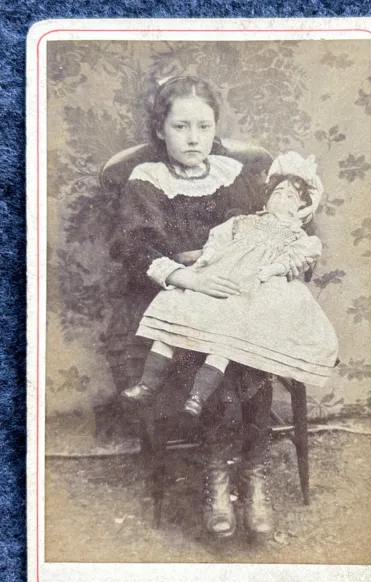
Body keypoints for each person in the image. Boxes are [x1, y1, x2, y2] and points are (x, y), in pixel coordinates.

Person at [108, 76, 313, 539]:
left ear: (216, 127)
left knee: (252, 354)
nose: (194, 138)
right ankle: (218, 474)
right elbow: (136, 250)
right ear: (160, 129)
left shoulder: (235, 177)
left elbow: (269, 230)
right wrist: (193, 275)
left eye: (204, 126)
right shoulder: (146, 181)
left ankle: (254, 471)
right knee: (214, 367)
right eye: (181, 126)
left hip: (240, 296)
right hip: (179, 298)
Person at [123, 151, 338, 419]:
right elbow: (218, 238)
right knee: (178, 306)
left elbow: (299, 258)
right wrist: (209, 255)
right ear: (267, 196)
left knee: (229, 335)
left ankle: (197, 397)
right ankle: (147, 384)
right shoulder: (243, 221)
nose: (281, 199)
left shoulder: (300, 236)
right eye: (277, 193)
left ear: (302, 208)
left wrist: (274, 268)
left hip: (257, 289)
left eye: (290, 197)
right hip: (220, 276)